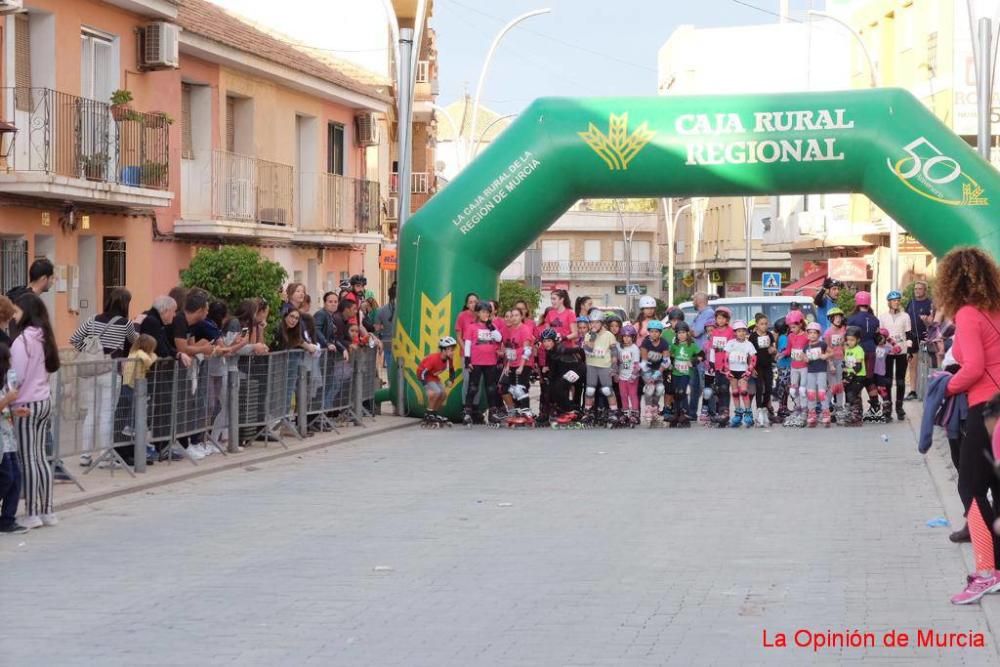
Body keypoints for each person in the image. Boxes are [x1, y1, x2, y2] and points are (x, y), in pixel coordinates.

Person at [935, 247, 1000, 604]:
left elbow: (973, 368)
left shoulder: (969, 314)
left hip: (988, 409)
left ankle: (986, 571)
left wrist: (946, 385)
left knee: (971, 488)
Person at [69, 288, 139, 466]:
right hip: (111, 371)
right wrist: (137, 324)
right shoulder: (126, 323)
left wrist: (92, 348)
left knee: (91, 412)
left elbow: (75, 339)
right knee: (107, 414)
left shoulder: (92, 319)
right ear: (125, 304)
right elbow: (135, 341)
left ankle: (85, 455)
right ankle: (105, 455)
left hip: (93, 370)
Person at [10, 293, 59, 529]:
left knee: (28, 458)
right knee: (40, 457)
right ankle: (47, 509)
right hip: (43, 400)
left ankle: (32, 512)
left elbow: (16, 377)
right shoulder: (44, 338)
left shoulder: (23, 341)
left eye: (17, 311)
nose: (14, 315)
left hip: (26, 404)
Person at [112, 334, 158, 466]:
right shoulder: (139, 354)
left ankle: (135, 447)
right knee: (132, 411)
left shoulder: (135, 353)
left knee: (136, 412)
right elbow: (150, 361)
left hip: (135, 385)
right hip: (131, 385)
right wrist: (153, 355)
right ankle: (129, 427)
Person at [0, 343, 30, 534]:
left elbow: (3, 409)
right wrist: (7, 400)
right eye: (8, 359)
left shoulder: (3, 384)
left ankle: (7, 520)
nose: (11, 362)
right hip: (1, 442)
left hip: (8, 437)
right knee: (6, 478)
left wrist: (16, 410)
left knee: (16, 478)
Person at [462, 302, 503, 425]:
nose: (485, 314)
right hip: (476, 361)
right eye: (482, 312)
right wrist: (467, 359)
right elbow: (468, 343)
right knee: (473, 387)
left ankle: (492, 413)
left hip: (490, 361)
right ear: (478, 313)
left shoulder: (492, 326)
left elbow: (499, 339)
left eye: (487, 312)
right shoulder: (472, 327)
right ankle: (467, 413)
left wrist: (491, 327)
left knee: (491, 388)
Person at [581, 311, 621, 425]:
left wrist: (614, 366)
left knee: (607, 390)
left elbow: (614, 351)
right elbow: (587, 351)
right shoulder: (588, 335)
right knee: (589, 390)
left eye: (596, 322)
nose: (593, 325)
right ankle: (587, 412)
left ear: (602, 323)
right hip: (591, 365)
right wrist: (592, 337)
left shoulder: (609, 335)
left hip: (604, 366)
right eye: (592, 322)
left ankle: (613, 412)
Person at [846, 291, 882, 420]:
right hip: (871, 350)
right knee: (869, 379)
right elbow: (877, 337)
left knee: (857, 379)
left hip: (857, 351)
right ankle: (875, 407)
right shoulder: (875, 319)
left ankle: (857, 409)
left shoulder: (852, 318)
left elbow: (849, 336)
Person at [879, 290, 912, 422]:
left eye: (898, 300)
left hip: (901, 351)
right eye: (893, 300)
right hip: (888, 351)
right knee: (887, 380)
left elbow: (909, 334)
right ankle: (888, 407)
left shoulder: (905, 316)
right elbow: (880, 335)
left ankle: (899, 407)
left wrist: (909, 350)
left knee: (900, 380)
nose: (896, 302)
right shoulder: (883, 317)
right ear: (889, 303)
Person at [499, 307, 534, 418]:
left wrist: (521, 366)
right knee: (511, 389)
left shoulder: (525, 329)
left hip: (524, 364)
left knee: (520, 388)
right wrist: (508, 365)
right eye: (512, 315)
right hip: (513, 363)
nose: (513, 318)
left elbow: (527, 349)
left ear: (521, 317)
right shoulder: (512, 330)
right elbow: (511, 349)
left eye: (516, 315)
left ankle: (527, 412)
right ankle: (517, 411)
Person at [723, 321, 757, 428]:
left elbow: (753, 358)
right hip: (733, 371)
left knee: (743, 391)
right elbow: (726, 357)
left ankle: (748, 413)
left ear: (746, 332)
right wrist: (727, 370)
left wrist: (749, 370)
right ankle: (738, 413)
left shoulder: (748, 344)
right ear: (735, 332)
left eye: (743, 331)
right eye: (739, 331)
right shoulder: (730, 343)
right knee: (735, 392)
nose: (741, 333)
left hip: (743, 371)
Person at [417, 337, 457, 426]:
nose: (453, 352)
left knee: (443, 394)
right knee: (437, 392)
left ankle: (434, 413)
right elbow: (423, 373)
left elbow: (452, 370)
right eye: (450, 349)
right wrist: (426, 387)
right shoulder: (434, 359)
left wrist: (451, 379)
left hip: (433, 376)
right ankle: (428, 414)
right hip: (425, 375)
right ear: (443, 350)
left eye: (453, 349)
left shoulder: (449, 359)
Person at [906, 280, 935, 398]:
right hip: (912, 336)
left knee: (928, 365)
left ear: (925, 290)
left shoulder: (930, 303)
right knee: (912, 364)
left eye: (920, 289)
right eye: (915, 289)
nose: (917, 291)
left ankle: (928, 390)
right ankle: (913, 391)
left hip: (926, 337)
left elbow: (933, 322)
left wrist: (926, 320)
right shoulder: (910, 303)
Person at [669, 322, 701, 427]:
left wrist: (693, 361)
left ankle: (685, 413)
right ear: (676, 334)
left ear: (687, 333)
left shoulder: (692, 345)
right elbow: (669, 355)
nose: (681, 335)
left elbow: (702, 355)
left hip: (686, 373)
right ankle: (677, 412)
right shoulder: (674, 345)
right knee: (676, 392)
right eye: (679, 333)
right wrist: (670, 361)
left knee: (682, 392)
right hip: (675, 373)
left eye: (683, 333)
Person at [688, 292, 715, 418]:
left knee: (706, 385)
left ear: (699, 301)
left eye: (694, 299)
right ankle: (692, 412)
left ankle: (712, 412)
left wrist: (687, 330)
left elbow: (696, 332)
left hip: (703, 355)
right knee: (695, 386)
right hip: (696, 354)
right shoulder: (701, 314)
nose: (692, 302)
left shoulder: (708, 313)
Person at [781, 310, 809, 427]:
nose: (792, 329)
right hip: (794, 367)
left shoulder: (806, 336)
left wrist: (808, 356)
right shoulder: (791, 336)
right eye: (790, 327)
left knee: (803, 390)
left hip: (804, 367)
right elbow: (788, 350)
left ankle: (805, 410)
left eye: (794, 327)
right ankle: (797, 407)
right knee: (793, 390)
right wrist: (781, 353)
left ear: (801, 324)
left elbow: (810, 349)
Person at [708, 306, 735, 426]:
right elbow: (713, 348)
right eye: (718, 318)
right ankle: (719, 412)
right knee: (717, 389)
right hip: (717, 364)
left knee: (724, 388)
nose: (720, 320)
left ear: (727, 319)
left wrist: (728, 364)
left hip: (727, 365)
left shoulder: (730, 332)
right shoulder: (714, 331)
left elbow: (732, 349)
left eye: (723, 318)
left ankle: (725, 412)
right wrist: (711, 362)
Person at [640, 320, 670, 425]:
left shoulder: (664, 343)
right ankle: (648, 409)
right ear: (649, 332)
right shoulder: (645, 342)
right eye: (652, 331)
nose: (654, 334)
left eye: (656, 332)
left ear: (660, 333)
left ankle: (655, 407)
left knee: (660, 388)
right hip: (647, 369)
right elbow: (643, 361)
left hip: (658, 370)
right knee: (650, 388)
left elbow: (666, 361)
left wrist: (658, 373)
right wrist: (648, 376)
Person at [749, 315, 777, 427]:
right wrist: (751, 368)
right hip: (757, 366)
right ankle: (759, 411)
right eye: (761, 324)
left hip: (768, 365)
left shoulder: (770, 335)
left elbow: (774, 348)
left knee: (769, 388)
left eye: (766, 323)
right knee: (759, 388)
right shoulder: (753, 337)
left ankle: (765, 409)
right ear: (756, 325)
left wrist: (773, 350)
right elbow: (749, 353)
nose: (764, 326)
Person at [803, 322, 831, 427]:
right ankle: (812, 413)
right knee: (810, 393)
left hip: (821, 371)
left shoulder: (822, 344)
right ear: (807, 334)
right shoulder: (806, 347)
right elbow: (804, 358)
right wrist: (805, 358)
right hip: (811, 372)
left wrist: (825, 355)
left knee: (822, 393)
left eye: (815, 333)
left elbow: (831, 352)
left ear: (819, 334)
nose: (812, 335)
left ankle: (826, 413)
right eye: (810, 333)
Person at [823, 307, 848, 420]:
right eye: (835, 317)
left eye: (840, 317)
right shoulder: (828, 333)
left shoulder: (844, 330)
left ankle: (839, 407)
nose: (838, 319)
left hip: (841, 360)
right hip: (831, 361)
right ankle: (825, 408)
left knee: (840, 385)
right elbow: (826, 349)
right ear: (831, 319)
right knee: (833, 386)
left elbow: (845, 345)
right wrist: (830, 364)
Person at [841, 326, 867, 426]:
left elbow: (858, 366)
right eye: (848, 340)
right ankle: (855, 414)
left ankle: (856, 416)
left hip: (858, 375)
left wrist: (850, 376)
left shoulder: (859, 349)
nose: (850, 342)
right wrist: (844, 373)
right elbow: (846, 363)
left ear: (858, 340)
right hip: (849, 375)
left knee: (852, 394)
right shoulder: (847, 349)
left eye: (852, 340)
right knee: (849, 394)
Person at [617, 325, 641, 425]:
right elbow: (618, 362)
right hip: (622, 376)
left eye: (629, 336)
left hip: (632, 377)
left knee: (633, 395)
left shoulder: (634, 348)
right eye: (624, 336)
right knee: (623, 395)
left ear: (633, 337)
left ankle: (635, 414)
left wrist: (633, 375)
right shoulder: (620, 348)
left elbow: (636, 365)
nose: (626, 338)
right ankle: (625, 413)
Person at [374, 283, 397, 372]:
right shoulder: (406, 310)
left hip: (387, 342)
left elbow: (377, 329)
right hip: (404, 343)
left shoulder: (380, 310)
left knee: (391, 370)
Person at [773, 317, 791, 422]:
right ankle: (782, 408)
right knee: (784, 388)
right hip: (785, 366)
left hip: (784, 365)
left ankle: (783, 407)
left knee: (784, 387)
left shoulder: (781, 337)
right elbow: (784, 350)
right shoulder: (784, 338)